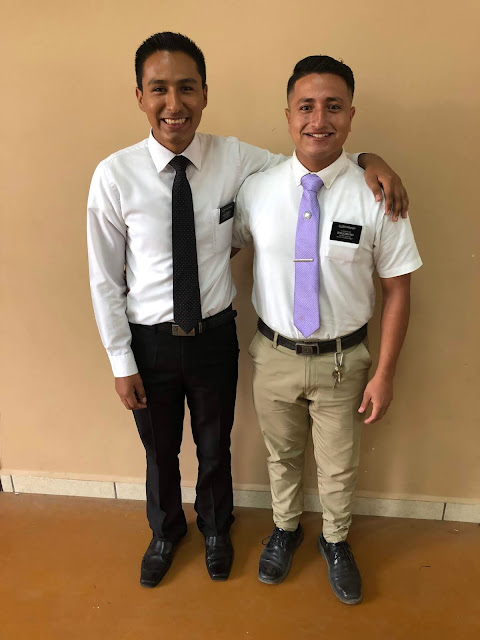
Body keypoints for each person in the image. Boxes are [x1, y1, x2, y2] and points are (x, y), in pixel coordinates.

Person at [87, 32, 410, 588]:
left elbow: (312, 161)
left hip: (215, 333)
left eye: (187, 87)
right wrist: (121, 360)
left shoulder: (237, 159)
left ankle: (218, 530)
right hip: (149, 338)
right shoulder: (114, 176)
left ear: (204, 93)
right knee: (159, 450)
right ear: (140, 96)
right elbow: (103, 277)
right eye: (159, 89)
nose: (174, 103)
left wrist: (371, 160)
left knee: (216, 445)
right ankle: (165, 532)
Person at [232, 55, 422, 604]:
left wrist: (385, 373)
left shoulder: (378, 195)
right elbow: (226, 249)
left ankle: (335, 540)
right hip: (274, 354)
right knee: (281, 455)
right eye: (306, 106)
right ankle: (285, 529)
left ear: (351, 115)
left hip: (344, 360)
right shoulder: (257, 189)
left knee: (339, 465)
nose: (319, 119)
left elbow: (398, 290)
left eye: (333, 106)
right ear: (288, 115)